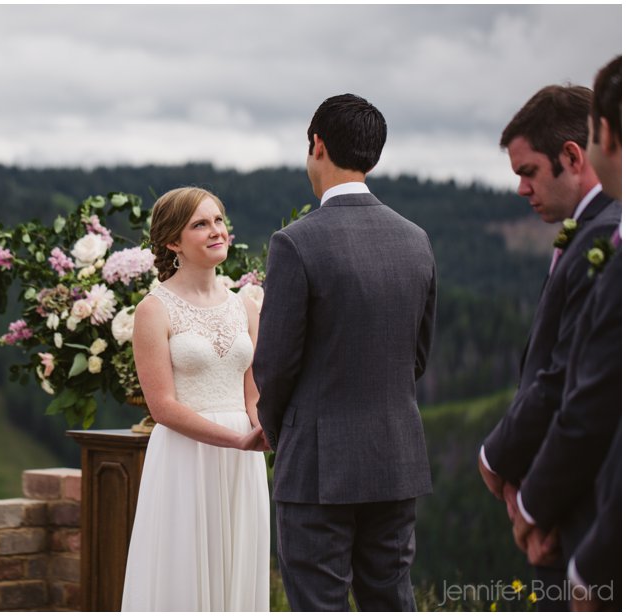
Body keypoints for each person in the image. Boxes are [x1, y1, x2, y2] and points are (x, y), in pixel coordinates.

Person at [254, 94, 437, 611]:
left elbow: (275, 365)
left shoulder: (295, 242)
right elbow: (417, 356)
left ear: (317, 144)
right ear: (372, 155)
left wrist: (277, 430)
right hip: (395, 459)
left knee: (319, 603)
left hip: (317, 465)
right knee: (389, 601)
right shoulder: (416, 240)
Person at [477, 84, 620, 609]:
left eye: (527, 171)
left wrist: (501, 467)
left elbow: (572, 378)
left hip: (583, 507)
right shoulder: (591, 231)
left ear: (573, 155)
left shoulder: (606, 238)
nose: (520, 188)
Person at [120, 186, 270, 611]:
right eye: (200, 224)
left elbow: (253, 395)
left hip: (242, 460)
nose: (215, 231)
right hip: (186, 456)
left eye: (218, 220)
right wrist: (234, 439)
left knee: (237, 569)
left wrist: (262, 427)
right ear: (172, 241)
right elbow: (162, 406)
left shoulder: (246, 306)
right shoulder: (155, 308)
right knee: (184, 574)